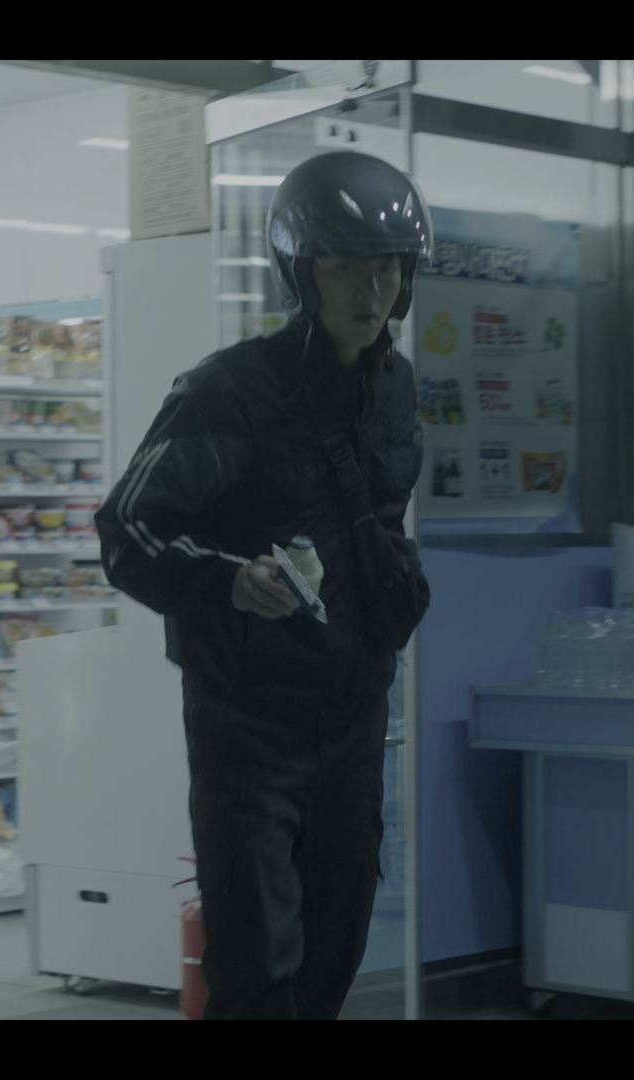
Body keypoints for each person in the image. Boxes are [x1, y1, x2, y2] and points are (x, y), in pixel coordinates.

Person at [95, 151, 432, 1020]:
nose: (369, 289)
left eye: (386, 267)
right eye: (343, 265)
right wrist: (226, 580)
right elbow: (127, 528)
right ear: (301, 270)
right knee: (256, 962)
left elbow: (381, 521)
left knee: (337, 941)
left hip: (356, 713)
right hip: (250, 724)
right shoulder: (231, 392)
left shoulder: (395, 390)